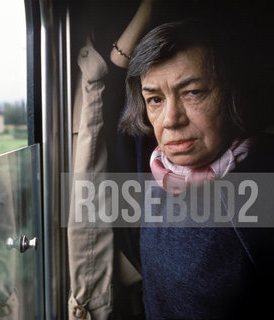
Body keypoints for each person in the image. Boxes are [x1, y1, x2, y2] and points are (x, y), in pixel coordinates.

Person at [117, 18, 274, 319]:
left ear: (232, 96)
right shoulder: (154, 167)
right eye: (155, 100)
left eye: (193, 93)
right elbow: (111, 79)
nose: (171, 119)